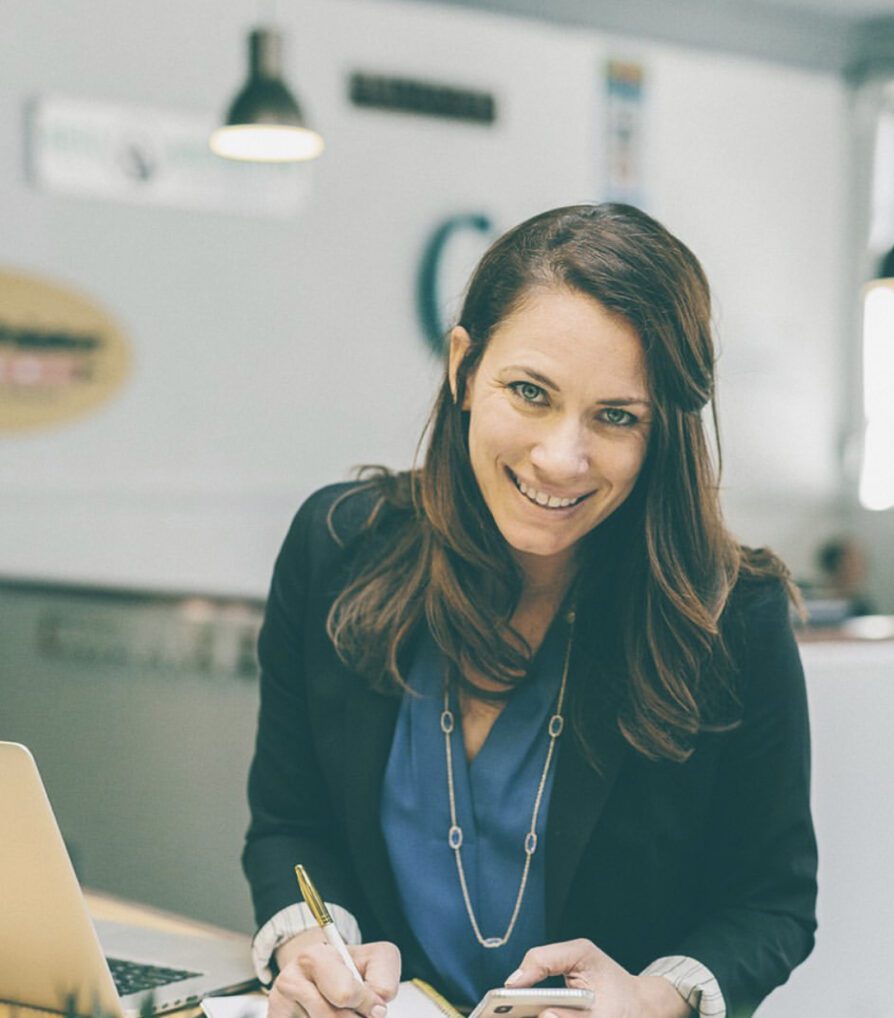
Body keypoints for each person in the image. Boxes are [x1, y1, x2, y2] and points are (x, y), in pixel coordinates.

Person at [243, 203, 817, 1018]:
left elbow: (771, 903)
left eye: (616, 417)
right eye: (530, 392)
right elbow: (289, 825)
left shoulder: (731, 616)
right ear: (463, 369)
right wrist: (311, 948)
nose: (561, 457)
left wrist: (650, 1002)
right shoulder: (335, 547)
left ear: (662, 432)